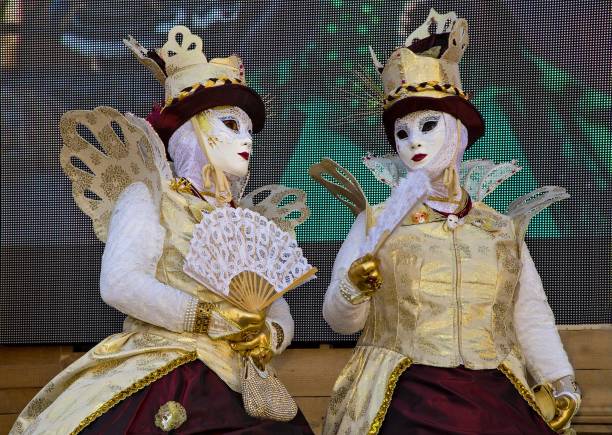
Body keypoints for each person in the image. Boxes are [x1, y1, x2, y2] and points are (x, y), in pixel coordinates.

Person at [11, 25, 312, 434]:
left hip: (243, 380)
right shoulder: (150, 196)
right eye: (230, 124)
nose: (247, 140)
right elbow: (119, 282)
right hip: (166, 365)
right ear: (194, 130)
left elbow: (276, 304)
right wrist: (210, 319)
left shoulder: (252, 221)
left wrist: (269, 335)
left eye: (248, 129)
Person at [320, 10, 580, 435]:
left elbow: (528, 313)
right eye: (401, 134)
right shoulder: (377, 220)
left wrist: (560, 383)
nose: (414, 142)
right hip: (403, 399)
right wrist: (354, 286)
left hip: (497, 398)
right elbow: (339, 320)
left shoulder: (499, 230)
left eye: (427, 125)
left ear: (458, 130)